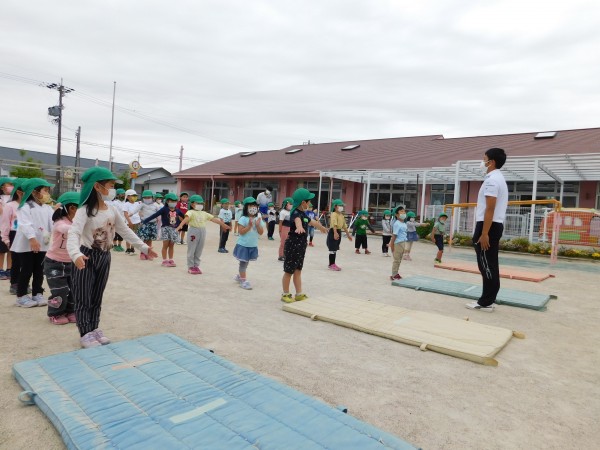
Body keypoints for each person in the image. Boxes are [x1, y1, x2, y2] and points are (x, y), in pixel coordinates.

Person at [67, 167, 158, 348]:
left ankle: (94, 328)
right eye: (110, 185)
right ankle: (85, 332)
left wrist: (144, 247)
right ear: (97, 187)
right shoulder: (85, 210)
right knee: (83, 296)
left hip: (105, 256)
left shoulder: (112, 209)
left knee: (97, 295)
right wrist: (76, 254)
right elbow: (73, 233)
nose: (112, 189)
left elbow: (124, 230)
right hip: (86, 257)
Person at [466, 147, 509, 312]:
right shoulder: (497, 178)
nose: (482, 161)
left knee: (486, 264)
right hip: (492, 224)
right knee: (490, 263)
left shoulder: (492, 180)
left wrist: (484, 233)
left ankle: (486, 302)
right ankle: (489, 298)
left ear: (491, 162)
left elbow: (490, 208)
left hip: (488, 226)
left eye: (484, 158)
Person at [12, 178, 55, 307]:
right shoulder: (25, 206)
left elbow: (53, 224)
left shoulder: (47, 207)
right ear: (34, 192)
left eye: (48, 191)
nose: (47, 193)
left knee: (39, 269)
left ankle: (37, 293)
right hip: (27, 245)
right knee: (26, 269)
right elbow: (25, 224)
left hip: (42, 244)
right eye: (45, 190)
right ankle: (21, 296)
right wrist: (32, 239)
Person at [281, 189, 328, 303]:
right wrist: (299, 227)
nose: (310, 204)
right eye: (308, 201)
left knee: (298, 270)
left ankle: (298, 294)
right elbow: (297, 221)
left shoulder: (304, 214)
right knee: (289, 271)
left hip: (301, 246)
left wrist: (321, 227)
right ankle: (285, 294)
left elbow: (312, 222)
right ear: (303, 202)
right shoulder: (295, 213)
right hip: (293, 246)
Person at [45, 192, 79, 325]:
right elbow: (67, 229)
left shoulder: (76, 222)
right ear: (72, 208)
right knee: (60, 291)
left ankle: (70, 311)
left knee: (73, 289)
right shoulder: (60, 222)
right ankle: (55, 313)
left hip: (71, 262)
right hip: (54, 263)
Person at [176, 195, 230, 274]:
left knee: (199, 249)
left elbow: (213, 219)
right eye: (198, 203)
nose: (200, 205)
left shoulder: (204, 213)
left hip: (202, 231)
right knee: (192, 249)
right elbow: (186, 218)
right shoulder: (190, 212)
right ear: (192, 204)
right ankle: (191, 266)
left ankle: (196, 266)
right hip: (193, 232)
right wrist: (181, 225)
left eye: (201, 203)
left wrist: (222, 224)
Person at [141, 193, 185, 267]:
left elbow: (185, 217)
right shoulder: (164, 209)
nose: (173, 202)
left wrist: (182, 224)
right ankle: (164, 260)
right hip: (165, 229)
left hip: (174, 229)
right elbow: (155, 215)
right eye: (171, 201)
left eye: (175, 201)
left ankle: (171, 259)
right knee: (165, 245)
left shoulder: (178, 210)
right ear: (167, 201)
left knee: (171, 245)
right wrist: (145, 221)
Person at [233, 197, 264, 290]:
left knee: (245, 263)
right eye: (251, 205)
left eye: (255, 205)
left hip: (252, 245)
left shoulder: (258, 218)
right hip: (243, 245)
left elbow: (261, 232)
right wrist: (249, 226)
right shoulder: (243, 218)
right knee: (243, 263)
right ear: (246, 207)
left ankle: (240, 276)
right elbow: (241, 232)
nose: (253, 207)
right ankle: (243, 280)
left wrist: (258, 225)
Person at [1, 178, 25, 294]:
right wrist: (5, 238)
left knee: (25, 262)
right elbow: (5, 223)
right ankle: (14, 284)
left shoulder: (28, 205)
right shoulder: (10, 205)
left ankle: (23, 283)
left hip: (26, 234)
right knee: (16, 261)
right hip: (14, 233)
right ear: (19, 192)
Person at [326, 199, 352, 270]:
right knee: (332, 249)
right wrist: (335, 233)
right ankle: (331, 264)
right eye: (340, 205)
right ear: (335, 206)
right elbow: (334, 224)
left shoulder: (341, 215)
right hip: (333, 231)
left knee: (335, 249)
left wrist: (348, 235)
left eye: (342, 205)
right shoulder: (334, 214)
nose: (341, 207)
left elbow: (344, 226)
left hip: (339, 231)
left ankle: (332, 263)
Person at [137, 190, 160, 260]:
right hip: (144, 224)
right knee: (144, 239)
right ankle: (142, 253)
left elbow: (159, 212)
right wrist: (138, 213)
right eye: (145, 197)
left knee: (150, 240)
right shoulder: (142, 204)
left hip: (153, 224)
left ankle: (148, 253)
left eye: (149, 197)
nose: (147, 199)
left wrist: (158, 219)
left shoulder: (156, 205)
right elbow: (136, 209)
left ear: (152, 197)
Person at [0, 177, 15, 280]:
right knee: (1, 250)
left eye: (12, 185)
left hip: (12, 227)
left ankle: (9, 269)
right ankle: (1, 269)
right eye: (8, 184)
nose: (10, 187)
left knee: (10, 250)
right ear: (2, 186)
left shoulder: (13, 198)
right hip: (1, 227)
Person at [390, 206, 408, 281]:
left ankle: (396, 273)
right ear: (396, 215)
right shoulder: (397, 224)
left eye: (404, 211)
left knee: (399, 259)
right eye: (401, 211)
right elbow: (394, 235)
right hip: (398, 243)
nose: (403, 213)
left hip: (403, 242)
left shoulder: (404, 223)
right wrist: (392, 245)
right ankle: (394, 274)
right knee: (396, 260)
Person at [122, 189, 142, 255]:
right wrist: (129, 222)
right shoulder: (126, 204)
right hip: (129, 222)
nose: (134, 197)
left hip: (137, 222)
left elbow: (139, 212)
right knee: (129, 235)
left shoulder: (138, 204)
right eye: (132, 195)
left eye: (135, 195)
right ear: (127, 197)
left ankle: (132, 248)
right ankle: (128, 249)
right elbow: (125, 214)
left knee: (135, 236)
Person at [277, 197, 293, 261]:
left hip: (291, 228)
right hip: (285, 228)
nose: (291, 205)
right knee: (283, 242)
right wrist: (280, 231)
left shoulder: (292, 212)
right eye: (289, 204)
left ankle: (286, 254)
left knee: (289, 243)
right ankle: (281, 255)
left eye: (292, 204)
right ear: (285, 204)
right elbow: (280, 222)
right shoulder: (283, 212)